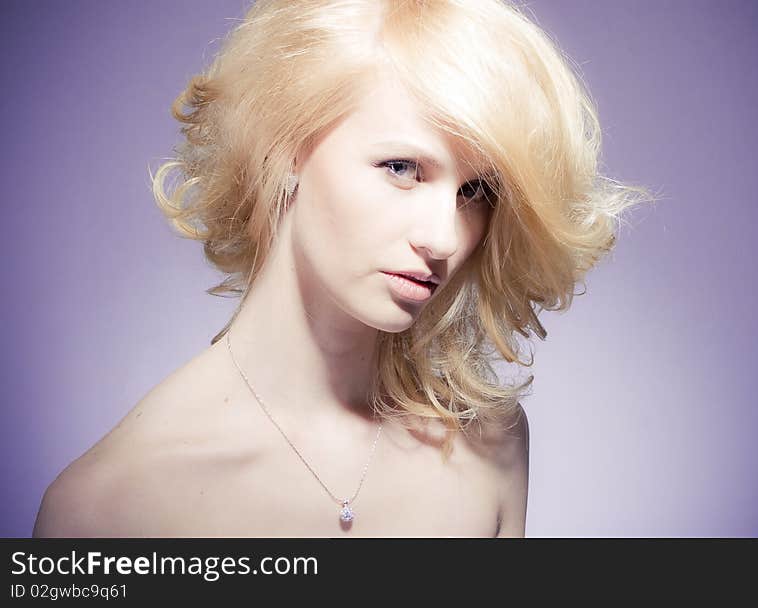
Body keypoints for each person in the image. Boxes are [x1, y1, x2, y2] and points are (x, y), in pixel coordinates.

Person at [33, 0, 650, 538]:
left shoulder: (492, 443)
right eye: (402, 168)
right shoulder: (107, 508)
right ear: (288, 145)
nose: (442, 238)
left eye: (476, 192)